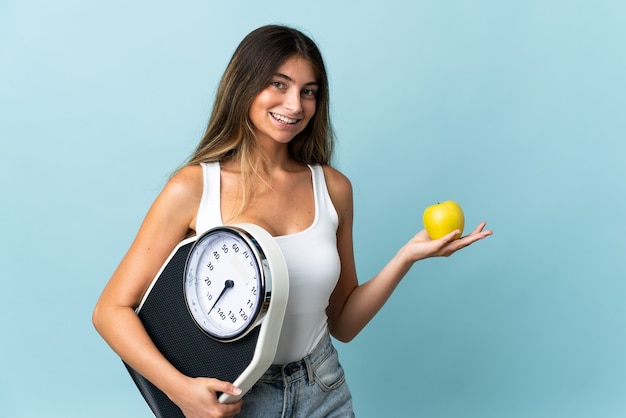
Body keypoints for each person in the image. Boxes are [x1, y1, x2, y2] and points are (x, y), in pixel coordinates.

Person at [92, 24, 492, 418]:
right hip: (237, 396)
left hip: (323, 387)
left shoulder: (332, 189)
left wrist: (406, 256)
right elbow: (111, 310)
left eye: (308, 92)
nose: (295, 105)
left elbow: (344, 323)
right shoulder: (196, 187)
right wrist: (181, 392)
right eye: (279, 85)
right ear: (244, 86)